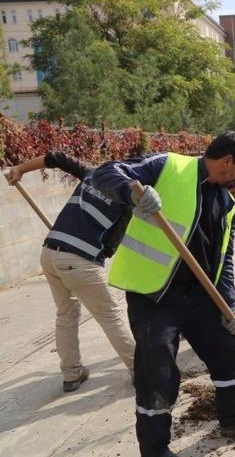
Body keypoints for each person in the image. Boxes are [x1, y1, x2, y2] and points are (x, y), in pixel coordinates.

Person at [91, 131, 235, 457]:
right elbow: (103, 172)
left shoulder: (228, 204)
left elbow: (224, 261)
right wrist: (132, 194)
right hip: (154, 296)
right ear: (227, 160)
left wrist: (229, 308)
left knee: (231, 353)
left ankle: (233, 418)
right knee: (157, 372)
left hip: (201, 297)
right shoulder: (168, 167)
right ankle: (155, 449)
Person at [4, 152, 136, 392]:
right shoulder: (126, 200)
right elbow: (109, 247)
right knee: (111, 315)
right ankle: (141, 370)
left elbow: (57, 157)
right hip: (79, 260)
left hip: (49, 253)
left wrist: (20, 168)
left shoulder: (92, 174)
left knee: (66, 315)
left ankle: (72, 374)